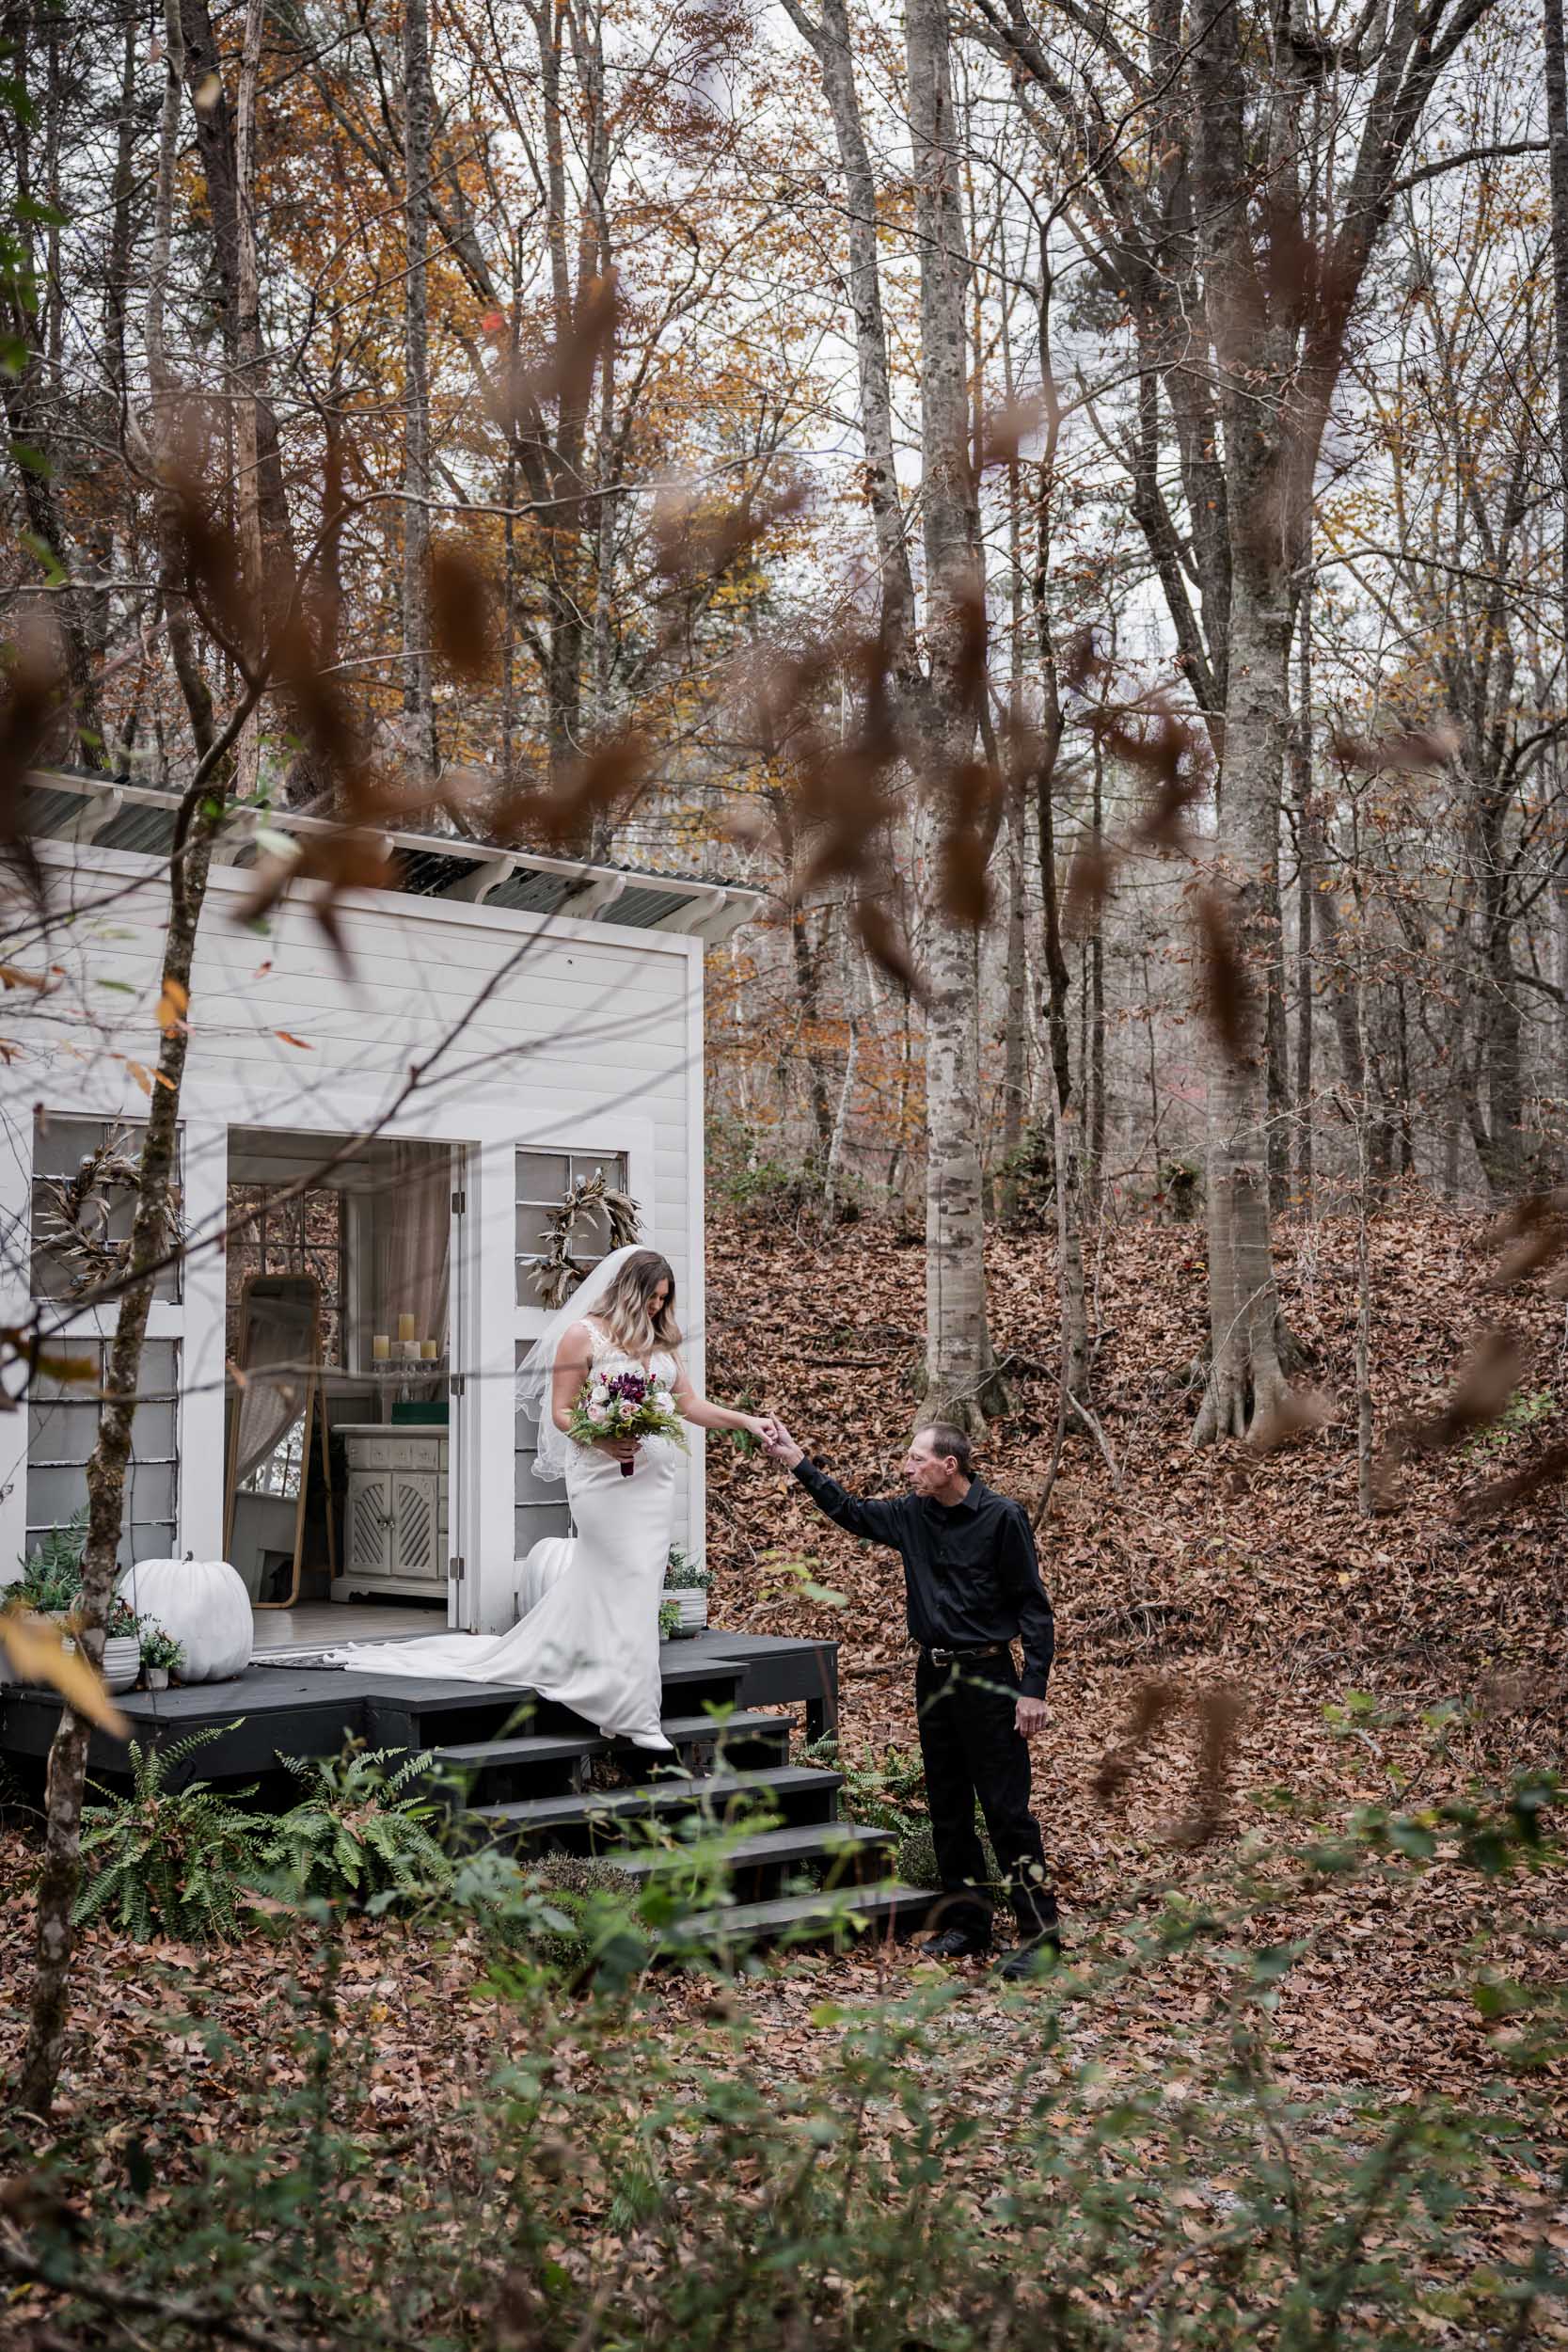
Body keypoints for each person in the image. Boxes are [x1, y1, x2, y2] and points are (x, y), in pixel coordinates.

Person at [329, 1247, 770, 1750]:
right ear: (629, 1290)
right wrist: (602, 1437)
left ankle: (611, 1698)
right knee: (624, 1575)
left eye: (664, 1300)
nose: (657, 1308)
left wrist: (745, 1421)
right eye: (651, 1298)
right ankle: (635, 1713)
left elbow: (689, 1403)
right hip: (601, 1480)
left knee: (636, 1586)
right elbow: (561, 1412)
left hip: (652, 1483)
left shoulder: (662, 1341)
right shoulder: (583, 1335)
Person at [761, 1415, 1060, 1978]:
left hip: (990, 1679)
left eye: (917, 1459)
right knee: (948, 1807)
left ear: (951, 1465)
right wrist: (796, 1459)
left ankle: (1039, 1937)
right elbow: (849, 1510)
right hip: (934, 1677)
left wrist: (1033, 1688)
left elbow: (1033, 1608)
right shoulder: (910, 1514)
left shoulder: (1002, 1519)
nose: (907, 1468)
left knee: (1005, 1813)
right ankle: (969, 1925)